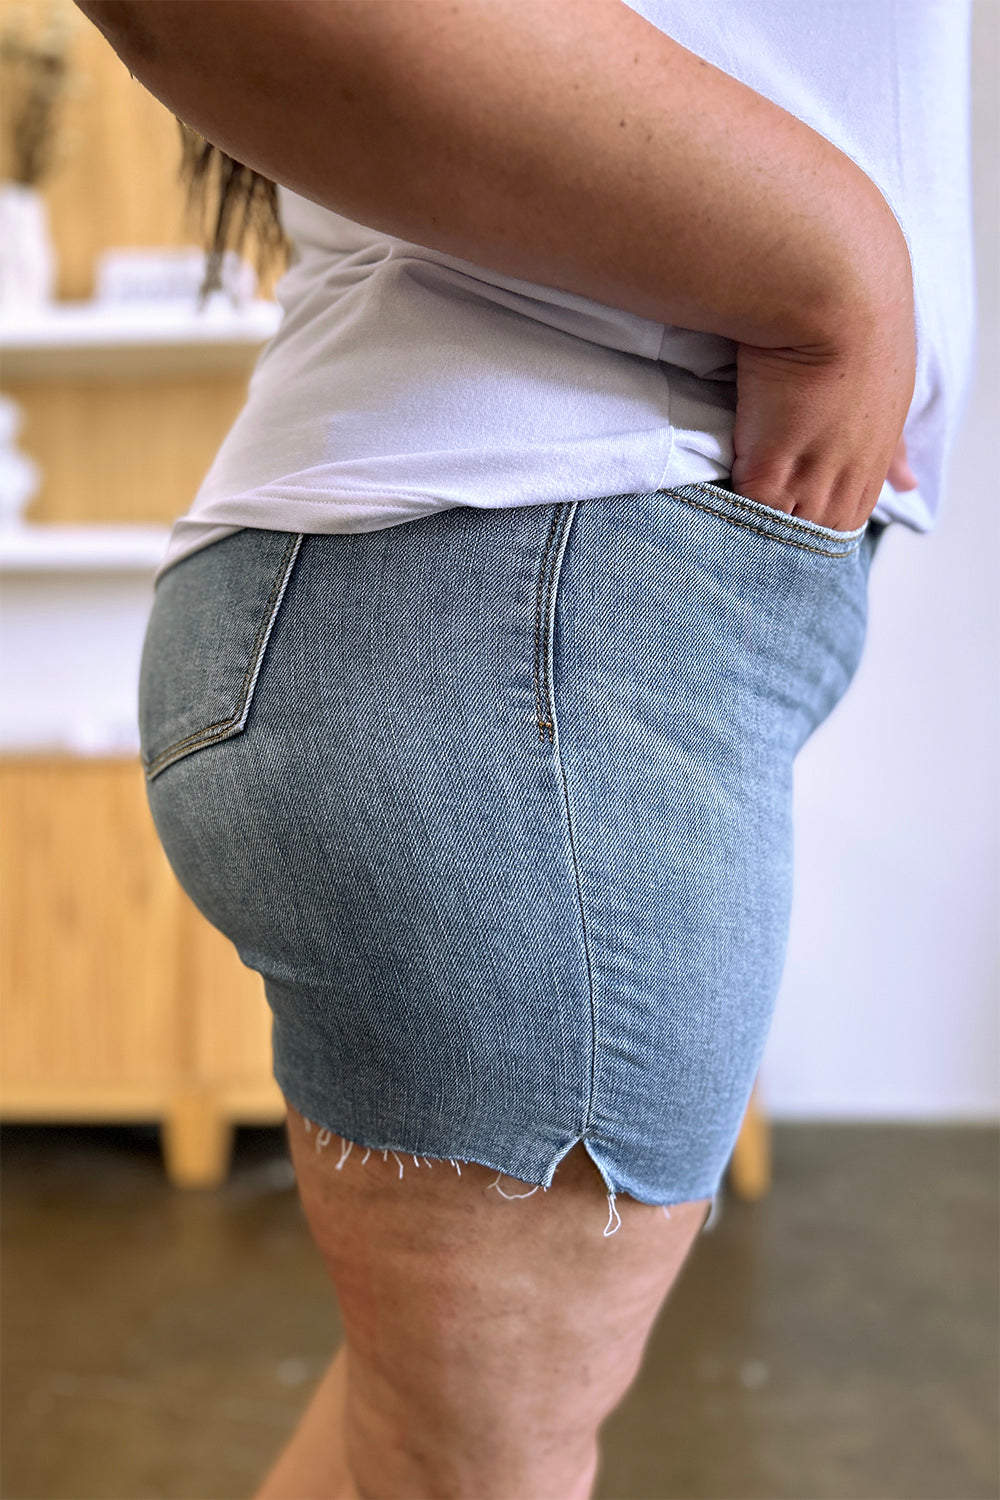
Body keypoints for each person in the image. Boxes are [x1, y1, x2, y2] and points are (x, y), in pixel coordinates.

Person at [73, 3, 976, 1497]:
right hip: (529, 630)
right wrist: (841, 274)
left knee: (413, 1447)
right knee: (463, 1460)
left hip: (513, 619)